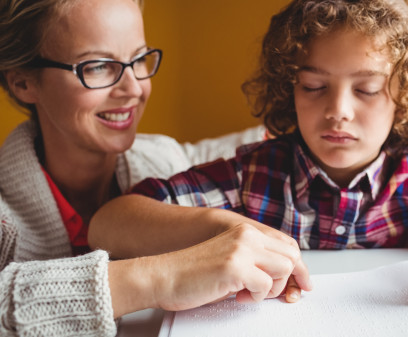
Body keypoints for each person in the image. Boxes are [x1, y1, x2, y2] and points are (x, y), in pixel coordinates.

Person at [89, 0, 408, 309]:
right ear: (290, 89)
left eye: (367, 89)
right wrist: (228, 228)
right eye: (314, 86)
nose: (338, 111)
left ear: (404, 95)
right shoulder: (253, 173)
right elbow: (109, 223)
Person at [0, 0, 311, 335]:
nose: (133, 88)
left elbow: (235, 150)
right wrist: (166, 275)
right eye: (98, 66)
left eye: (139, 59)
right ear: (22, 83)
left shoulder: (162, 160)